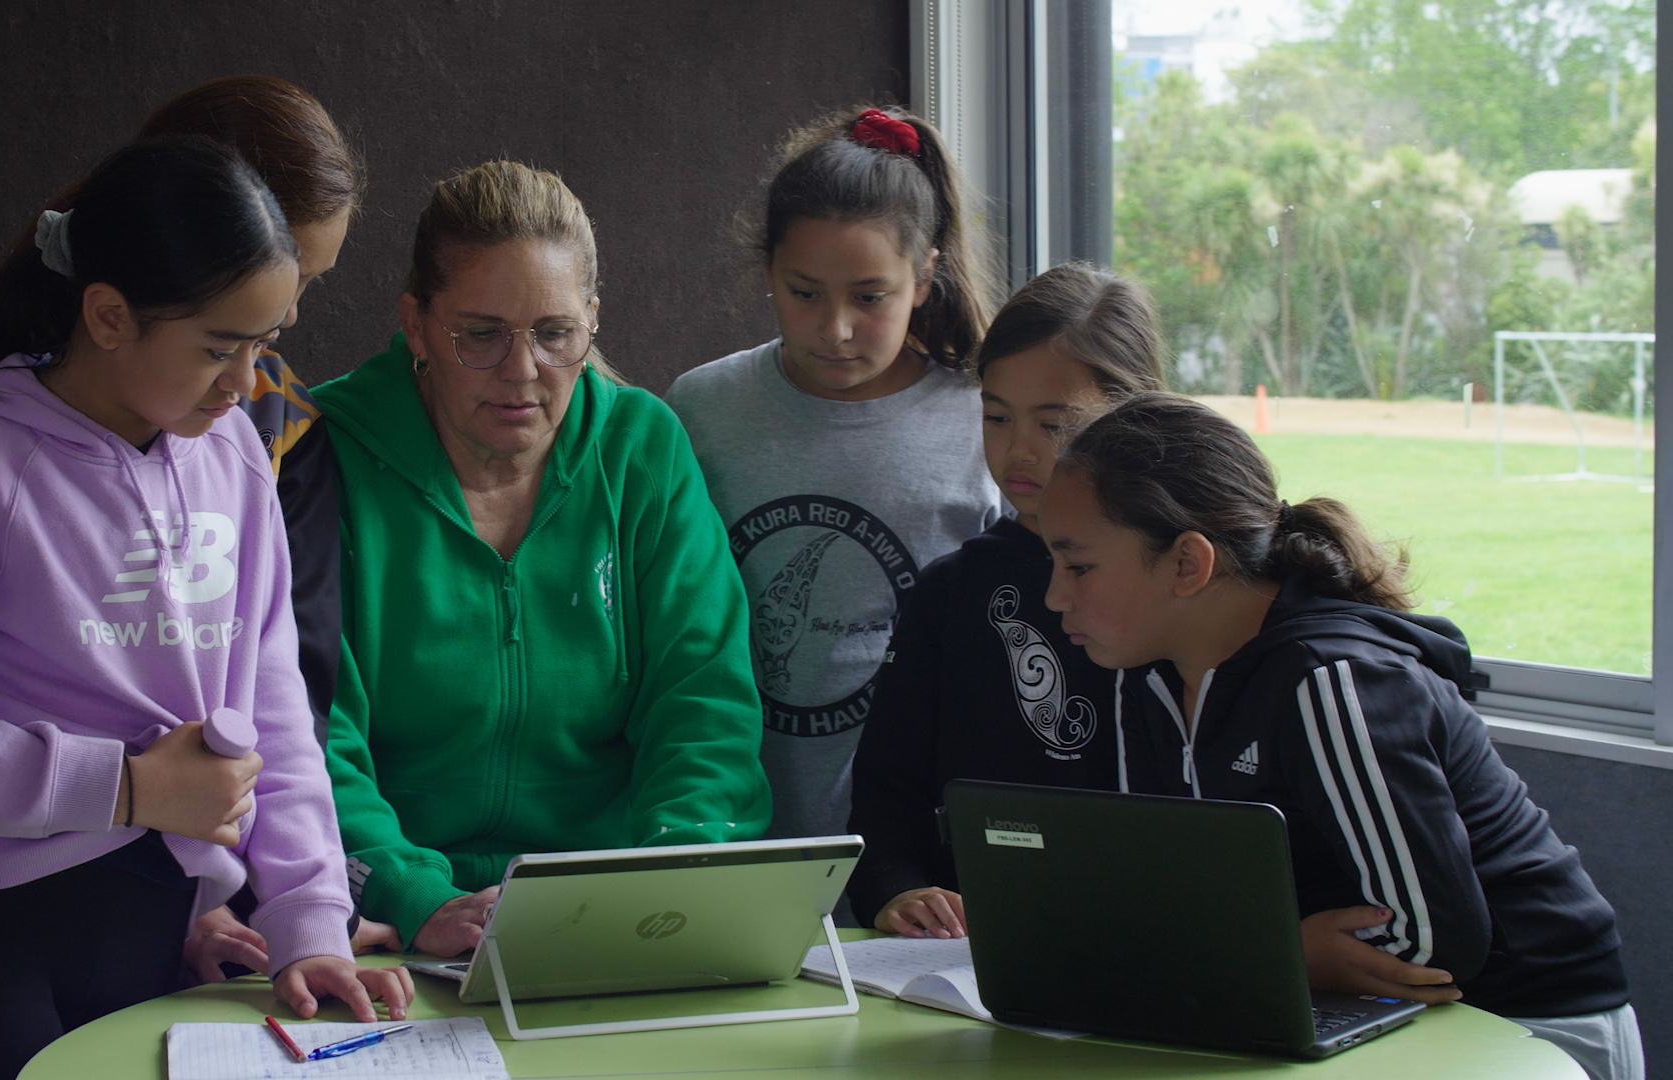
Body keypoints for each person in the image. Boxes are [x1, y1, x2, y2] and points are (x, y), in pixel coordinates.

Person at [0, 137, 411, 1080]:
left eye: (264, 345)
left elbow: (275, 715)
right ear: (107, 315)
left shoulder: (233, 460)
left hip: (157, 921)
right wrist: (129, 789)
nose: (245, 384)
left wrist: (310, 921)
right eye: (220, 348)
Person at [1037, 392, 1641, 1080]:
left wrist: (1274, 955)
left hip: (1524, 1022)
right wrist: (1274, 951)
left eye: (1077, 565)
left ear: (1187, 564)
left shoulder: (1331, 681)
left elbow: (1428, 946)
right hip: (1344, 1007)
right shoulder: (1143, 679)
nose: (1056, 596)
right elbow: (1168, 901)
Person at [313, 160, 772, 957]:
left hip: (614, 912)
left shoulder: (643, 448)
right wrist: (415, 896)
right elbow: (309, 732)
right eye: (481, 335)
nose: (522, 372)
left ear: (592, 319)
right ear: (417, 324)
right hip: (386, 928)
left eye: (556, 334)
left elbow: (704, 705)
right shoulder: (322, 454)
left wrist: (666, 888)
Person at [666, 106, 1003, 858]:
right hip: (732, 838)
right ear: (768, 274)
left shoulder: (985, 420)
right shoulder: (700, 408)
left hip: (926, 858)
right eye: (805, 292)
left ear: (925, 277)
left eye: (870, 296)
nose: (836, 327)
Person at [135, 74, 380, 981]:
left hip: (219, 885)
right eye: (284, 274)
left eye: (306, 283)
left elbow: (289, 689)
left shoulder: (275, 429)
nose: (284, 322)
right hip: (28, 891)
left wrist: (298, 903)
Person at [845, 264, 1163, 937]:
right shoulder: (950, 595)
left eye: (1055, 425)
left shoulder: (1182, 586)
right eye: (995, 416)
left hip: (1162, 937)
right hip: (974, 960)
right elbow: (884, 806)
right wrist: (896, 893)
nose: (1018, 452)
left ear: (1138, 416)